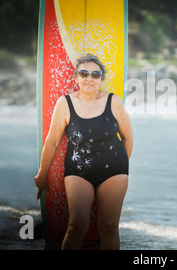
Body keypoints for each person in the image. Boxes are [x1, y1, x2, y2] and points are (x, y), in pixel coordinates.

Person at [34, 54, 133, 250]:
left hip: (114, 171)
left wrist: (120, 166)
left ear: (101, 79)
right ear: (76, 77)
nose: (89, 78)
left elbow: (128, 138)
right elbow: (53, 141)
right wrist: (42, 173)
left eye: (96, 75)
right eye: (84, 73)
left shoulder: (114, 101)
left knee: (109, 227)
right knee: (76, 225)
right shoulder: (65, 103)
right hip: (78, 171)